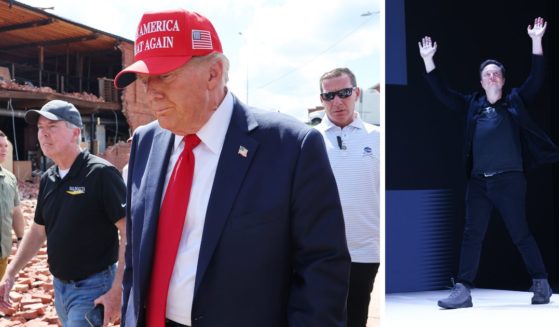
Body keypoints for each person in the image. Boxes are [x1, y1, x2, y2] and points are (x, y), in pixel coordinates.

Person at [114, 9, 350, 327]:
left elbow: (321, 271)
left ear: (213, 73)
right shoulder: (145, 141)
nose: (151, 91)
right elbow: (136, 253)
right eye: (145, 79)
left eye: (165, 75)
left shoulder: (290, 147)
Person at [418, 17, 557, 309]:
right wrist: (429, 61)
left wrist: (536, 40)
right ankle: (463, 290)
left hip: (510, 180)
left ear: (503, 81)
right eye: (487, 75)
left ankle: (541, 281)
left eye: (496, 74)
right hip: (479, 181)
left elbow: (537, 78)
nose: (492, 78)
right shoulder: (473, 105)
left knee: (520, 233)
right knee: (472, 235)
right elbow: (443, 94)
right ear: (480, 82)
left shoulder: (515, 101)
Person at [0, 100, 127, 326]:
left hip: (93, 287)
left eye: (52, 127)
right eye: (40, 128)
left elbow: (130, 232)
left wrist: (118, 289)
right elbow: (38, 231)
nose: (43, 134)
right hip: (60, 287)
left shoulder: (101, 174)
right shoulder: (49, 178)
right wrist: (11, 271)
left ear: (75, 133)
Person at [315, 68, 380, 327]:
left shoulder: (378, 138)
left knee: (355, 319)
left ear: (357, 93)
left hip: (364, 253)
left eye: (343, 93)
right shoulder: (309, 140)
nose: (337, 102)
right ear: (321, 100)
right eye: (329, 96)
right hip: (317, 255)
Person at [0, 130, 25, 279]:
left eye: (5, 146)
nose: (3, 149)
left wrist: (21, 238)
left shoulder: (10, 179)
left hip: (3, 252)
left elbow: (16, 212)